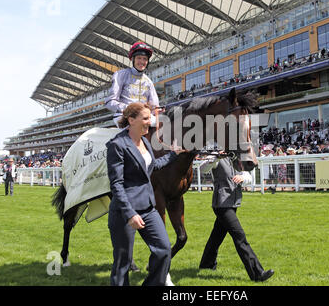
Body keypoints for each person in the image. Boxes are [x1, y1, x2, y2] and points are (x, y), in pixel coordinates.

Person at [106, 102, 182, 286]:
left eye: (150, 118)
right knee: (122, 263)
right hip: (125, 211)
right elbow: (116, 184)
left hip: (148, 208)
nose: (150, 122)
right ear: (131, 120)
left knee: (164, 250)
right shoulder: (117, 145)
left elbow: (151, 166)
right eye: (146, 118)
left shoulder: (145, 141)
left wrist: (173, 154)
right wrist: (130, 213)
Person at [199, 154, 274, 282]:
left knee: (216, 236)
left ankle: (206, 265)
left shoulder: (236, 157)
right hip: (222, 204)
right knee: (240, 237)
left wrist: (242, 177)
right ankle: (257, 273)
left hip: (233, 203)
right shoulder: (216, 156)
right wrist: (216, 157)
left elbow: (249, 177)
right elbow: (203, 168)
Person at [105, 42, 160, 128]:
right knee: (138, 123)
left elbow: (154, 106)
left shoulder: (148, 81)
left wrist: (157, 110)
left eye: (145, 59)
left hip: (144, 116)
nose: (142, 61)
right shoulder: (120, 75)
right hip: (123, 116)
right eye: (139, 58)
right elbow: (109, 102)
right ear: (133, 59)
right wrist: (129, 109)